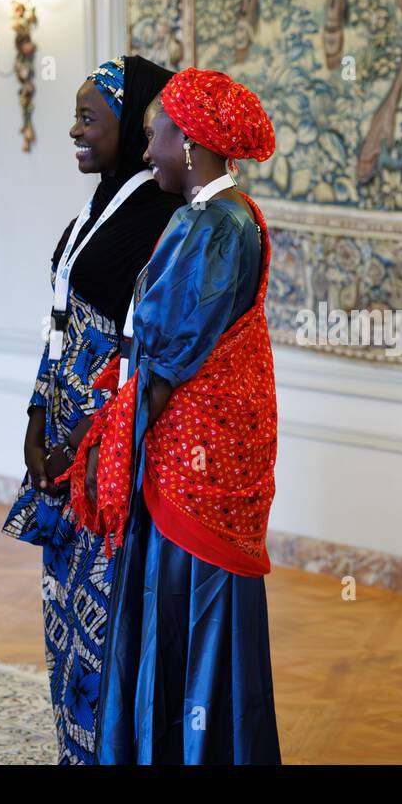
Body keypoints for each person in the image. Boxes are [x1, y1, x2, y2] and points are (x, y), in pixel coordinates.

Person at [62, 67, 282, 764]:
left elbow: (167, 359)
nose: (149, 148)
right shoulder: (220, 216)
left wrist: (107, 439)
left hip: (191, 462)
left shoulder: (213, 225)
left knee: (180, 608)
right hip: (189, 452)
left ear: (188, 144)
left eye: (157, 134)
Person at [1, 56, 181, 764]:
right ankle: (73, 749)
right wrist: (34, 422)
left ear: (137, 129)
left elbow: (149, 355)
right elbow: (58, 326)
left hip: (109, 448)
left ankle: (110, 750)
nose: (73, 131)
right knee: (62, 606)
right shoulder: (99, 207)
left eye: (89, 119)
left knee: (108, 616)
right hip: (59, 438)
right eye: (75, 115)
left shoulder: (164, 221)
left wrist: (81, 436)